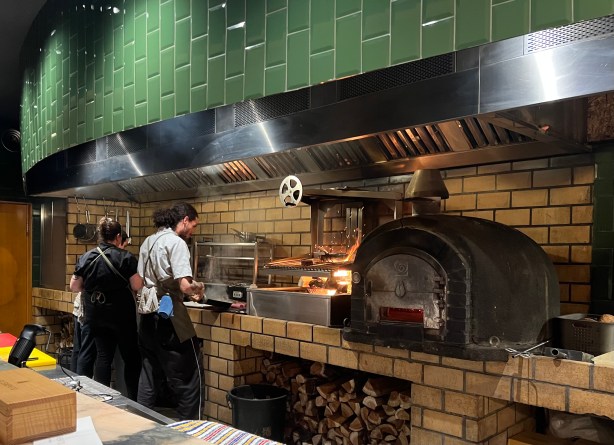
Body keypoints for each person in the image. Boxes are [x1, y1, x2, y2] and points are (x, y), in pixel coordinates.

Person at [137, 202, 205, 420]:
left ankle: (140, 426)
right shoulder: (176, 243)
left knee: (149, 375)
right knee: (190, 380)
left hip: (147, 317)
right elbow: (185, 286)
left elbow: (139, 281)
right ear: (184, 220)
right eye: (193, 225)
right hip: (169, 318)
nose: (192, 231)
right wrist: (199, 288)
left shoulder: (148, 241)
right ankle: (189, 431)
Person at [69, 217, 143, 400]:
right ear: (118, 237)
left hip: (96, 315)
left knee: (103, 357)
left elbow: (74, 286)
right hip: (122, 316)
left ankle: (102, 399)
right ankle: (133, 399)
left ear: (100, 236)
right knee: (131, 358)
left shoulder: (87, 257)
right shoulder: (126, 257)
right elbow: (136, 285)